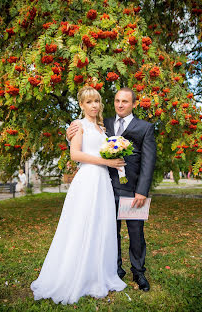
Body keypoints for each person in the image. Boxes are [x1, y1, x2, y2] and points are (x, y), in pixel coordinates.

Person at [31, 86, 127, 305]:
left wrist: (113, 162)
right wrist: (107, 162)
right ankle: (75, 273)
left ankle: (97, 274)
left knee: (100, 226)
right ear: (82, 105)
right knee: (82, 225)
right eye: (89, 102)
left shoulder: (103, 128)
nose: (94, 105)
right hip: (87, 181)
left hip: (103, 182)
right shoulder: (78, 125)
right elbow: (75, 154)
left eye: (97, 101)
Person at [67, 87, 157, 292]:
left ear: (134, 104)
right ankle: (114, 269)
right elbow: (84, 136)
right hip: (106, 188)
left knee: (136, 232)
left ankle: (138, 272)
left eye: (125, 101)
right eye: (117, 100)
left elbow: (148, 162)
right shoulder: (103, 123)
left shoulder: (145, 127)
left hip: (133, 190)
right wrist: (68, 135)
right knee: (109, 231)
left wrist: (142, 191)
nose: (120, 105)